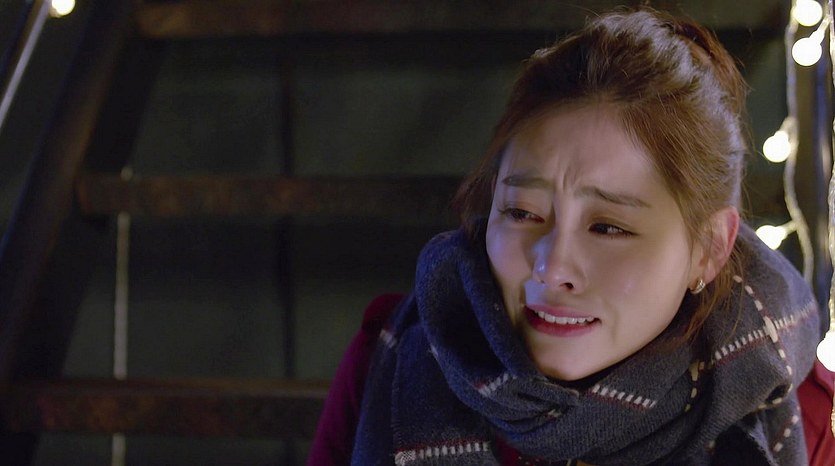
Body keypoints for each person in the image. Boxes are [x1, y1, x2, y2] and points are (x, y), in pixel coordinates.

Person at [309, 7, 835, 465]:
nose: (552, 267)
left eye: (608, 227)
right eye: (521, 212)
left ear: (708, 249)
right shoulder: (396, 359)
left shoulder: (802, 417)